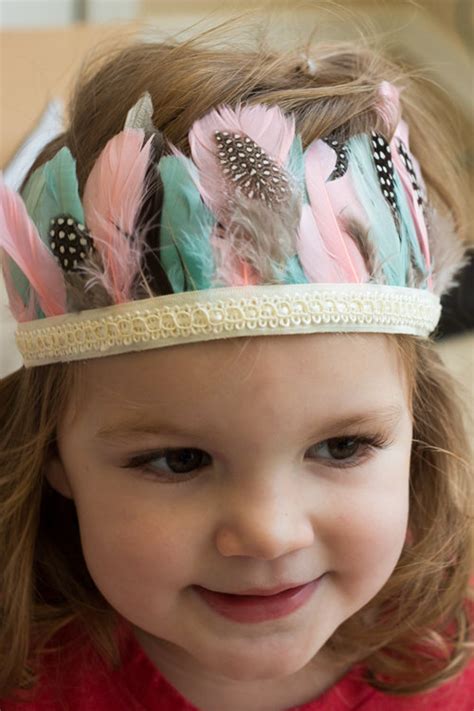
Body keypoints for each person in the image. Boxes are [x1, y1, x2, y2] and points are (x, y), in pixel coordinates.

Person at [0, 10, 472, 711]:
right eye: (178, 459)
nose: (268, 531)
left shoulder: (449, 651)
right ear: (54, 456)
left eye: (342, 446)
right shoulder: (28, 674)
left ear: (416, 428)